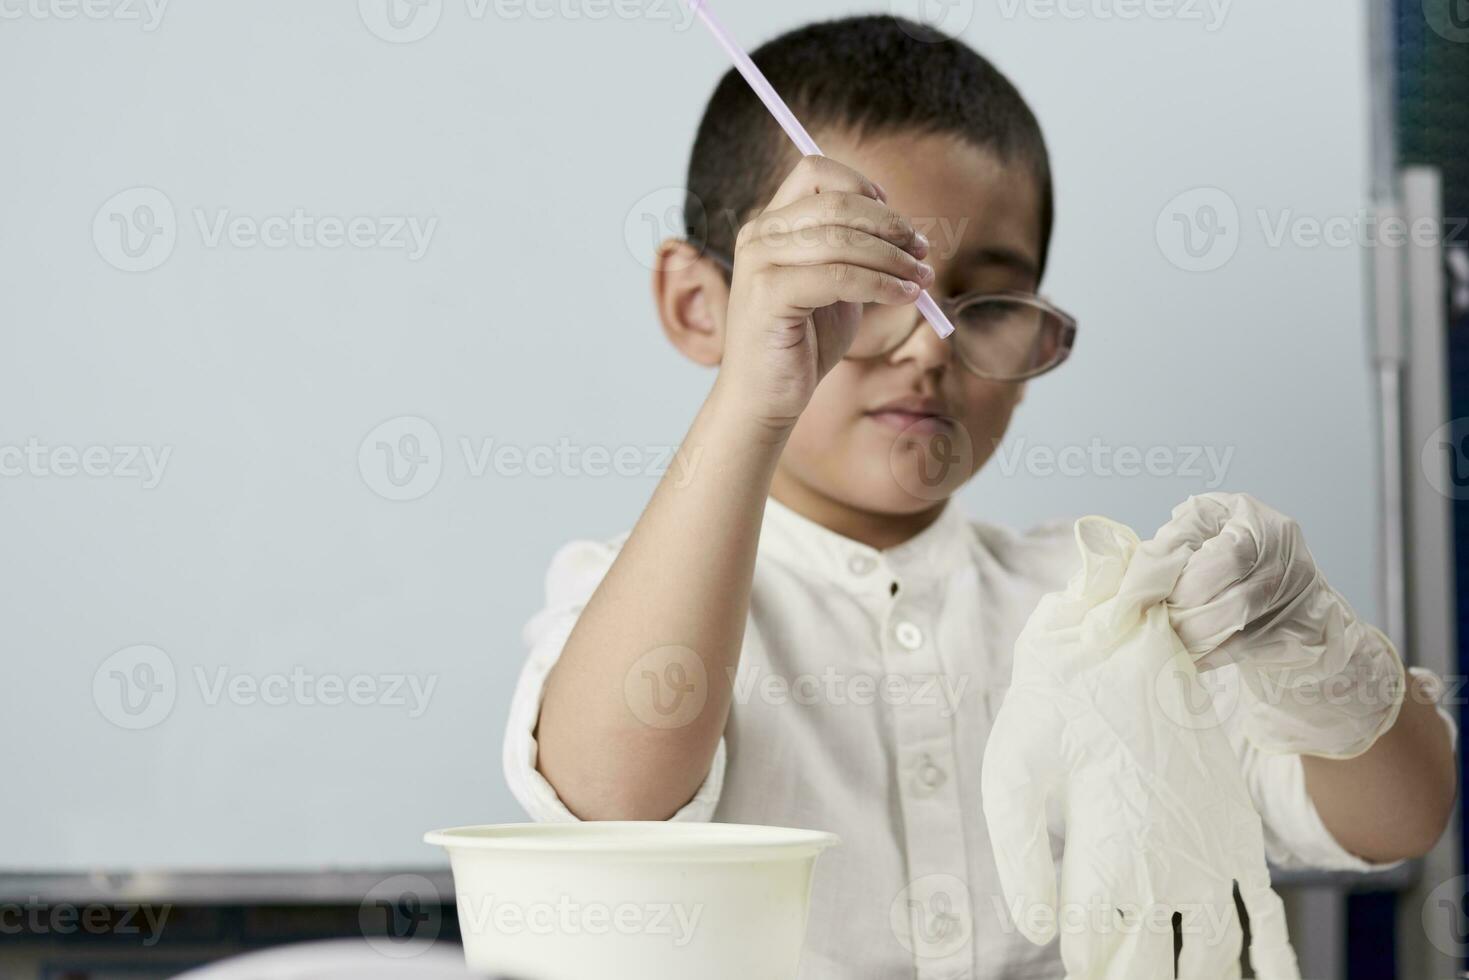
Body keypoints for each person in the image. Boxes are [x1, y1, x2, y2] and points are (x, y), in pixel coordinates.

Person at [502, 15, 1457, 977]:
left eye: (989, 304)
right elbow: (610, 804)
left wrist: (1315, 644)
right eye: (865, 287)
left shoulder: (1098, 609)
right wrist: (752, 396)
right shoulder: (634, 601)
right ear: (699, 304)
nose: (927, 347)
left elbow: (1396, 821)